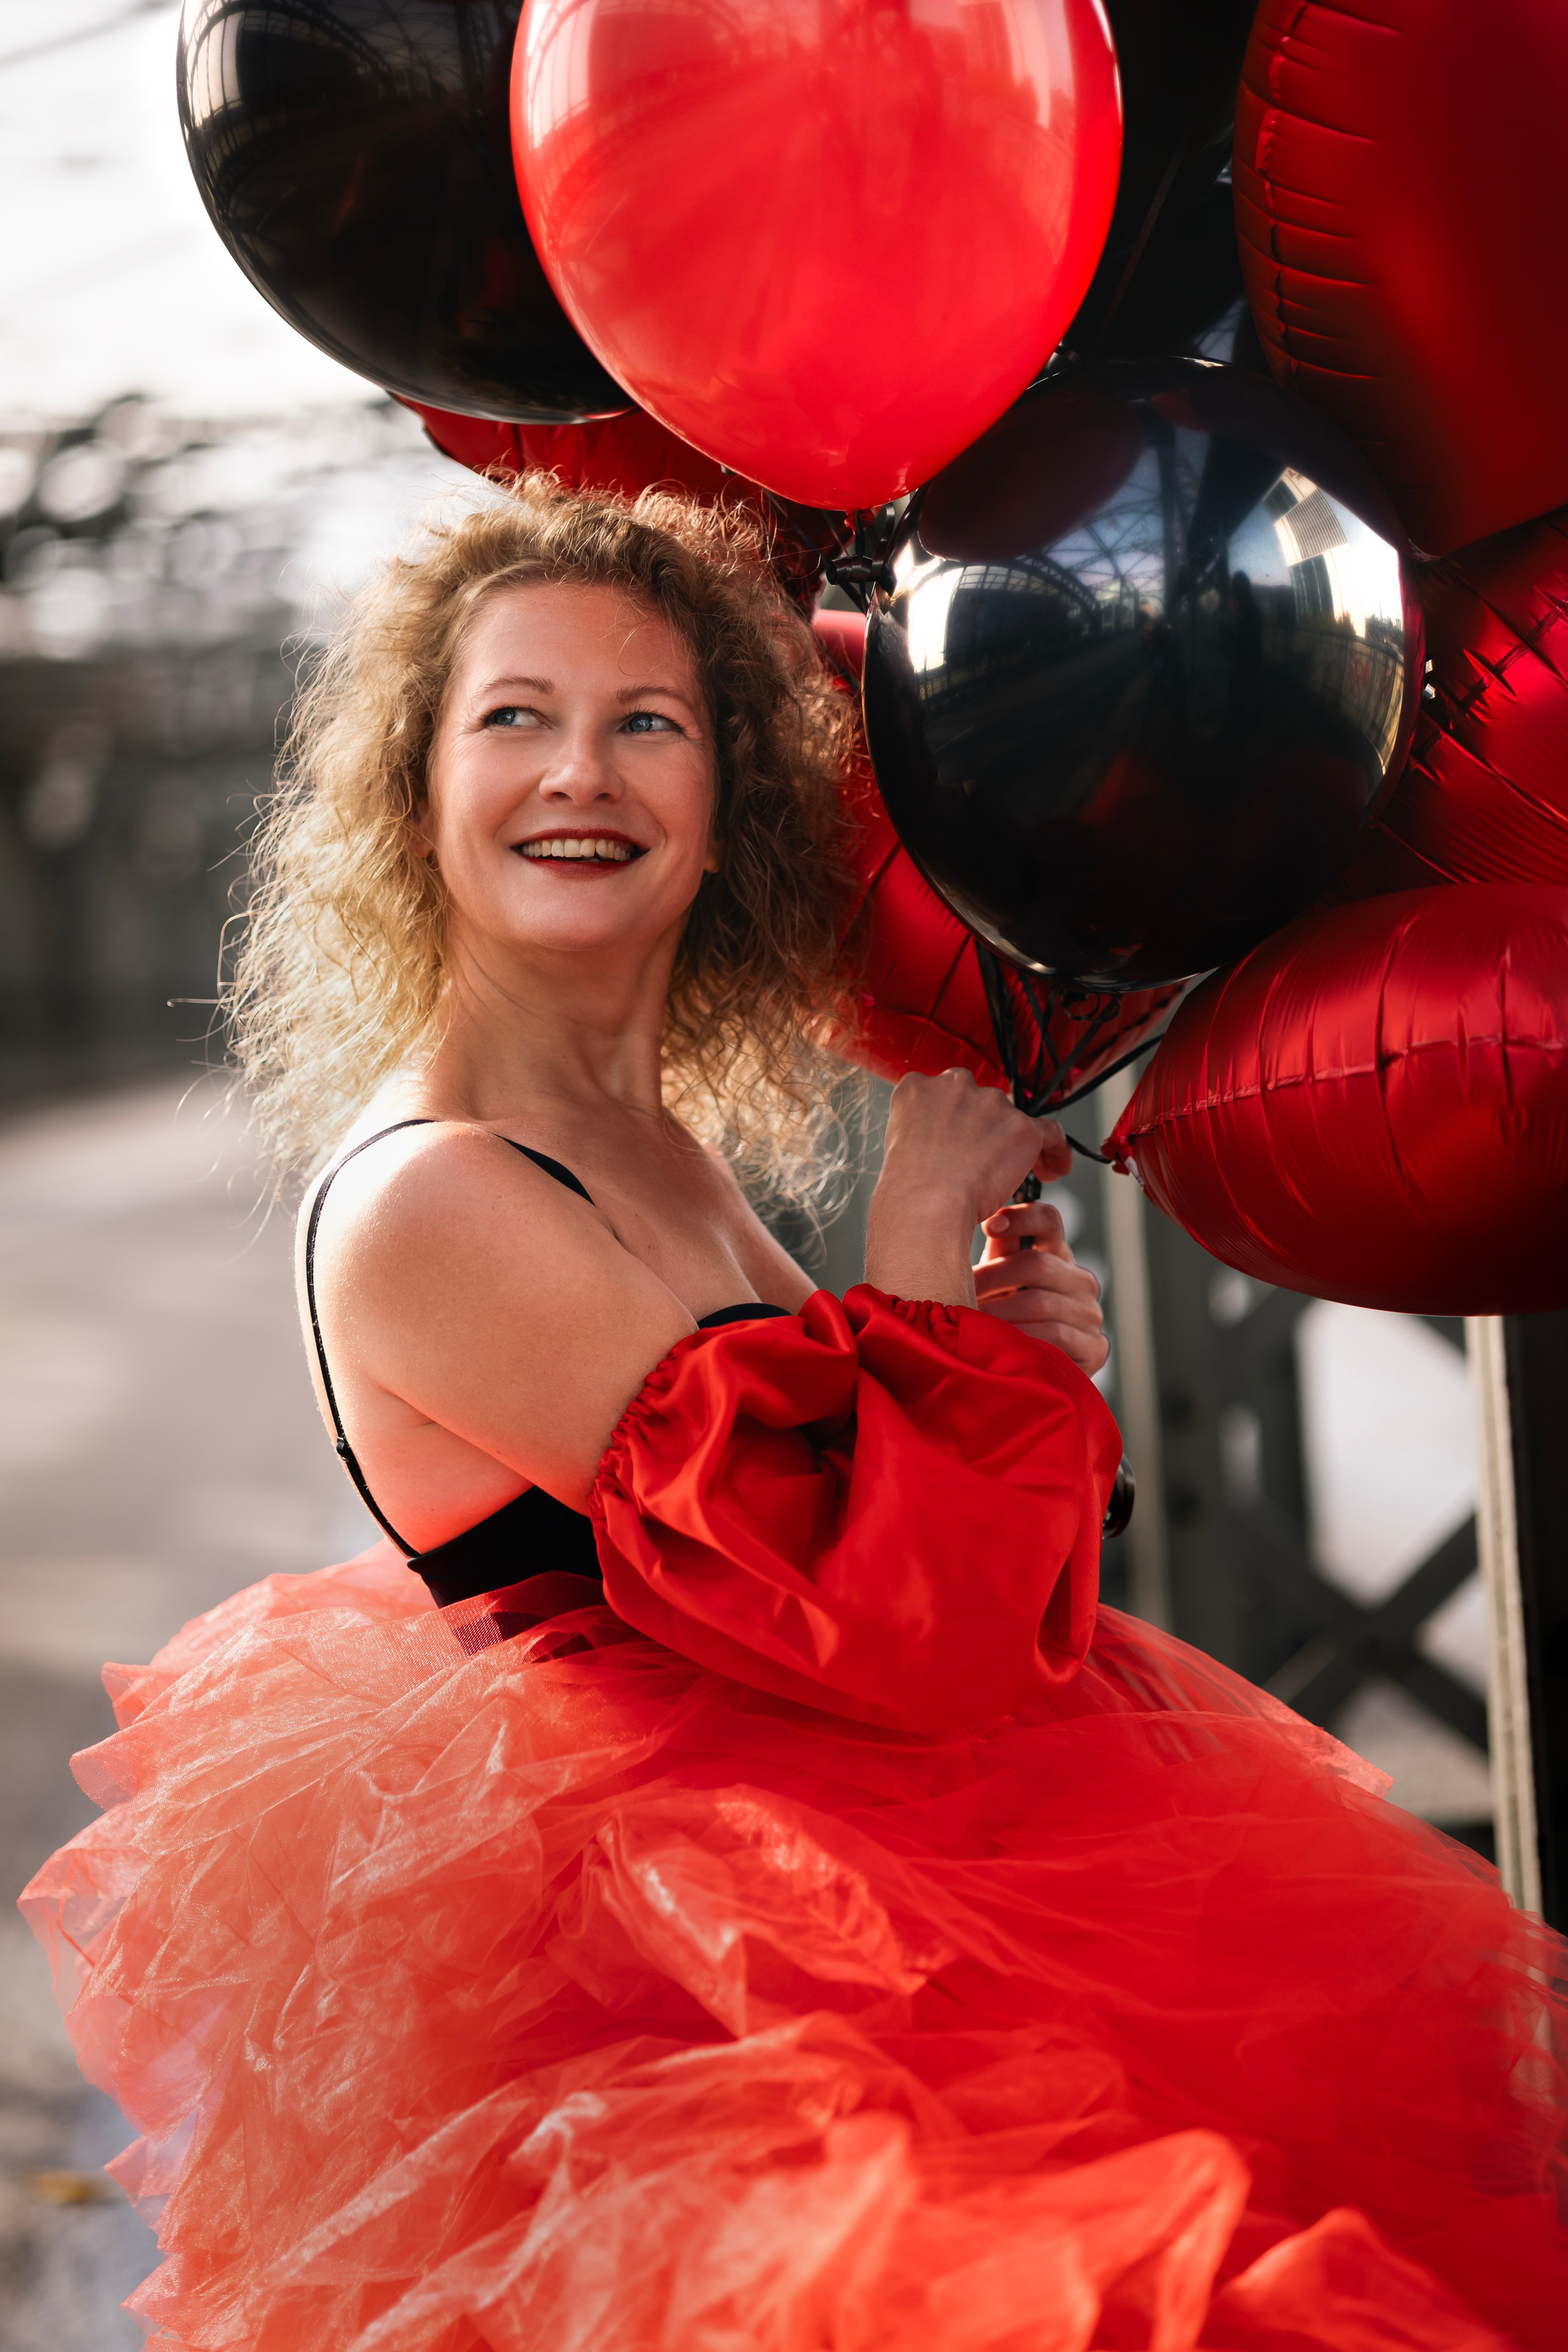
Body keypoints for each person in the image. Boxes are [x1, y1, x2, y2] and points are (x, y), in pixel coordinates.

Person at [22, 481, 1566, 2352]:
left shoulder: (642, 1136)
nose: (576, 775)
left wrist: (994, 1363)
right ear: (416, 792)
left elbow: (921, 1546)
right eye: (514, 717)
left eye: (645, 723)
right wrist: (913, 1284)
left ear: (726, 801)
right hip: (701, 1978)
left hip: (889, 1865)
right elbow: (870, 1611)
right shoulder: (437, 1191)